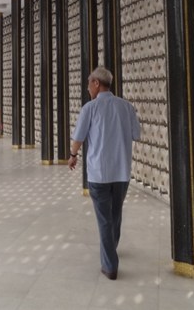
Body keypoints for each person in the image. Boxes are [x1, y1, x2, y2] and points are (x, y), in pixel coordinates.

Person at [68, 66, 141, 281]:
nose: (87, 88)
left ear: (96, 83)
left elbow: (78, 138)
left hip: (98, 173)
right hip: (122, 172)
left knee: (104, 219)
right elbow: (136, 134)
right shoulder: (126, 106)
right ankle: (111, 247)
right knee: (115, 213)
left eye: (88, 84)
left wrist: (72, 155)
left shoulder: (90, 108)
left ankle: (110, 266)